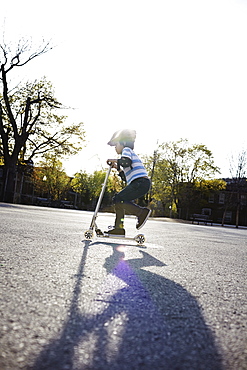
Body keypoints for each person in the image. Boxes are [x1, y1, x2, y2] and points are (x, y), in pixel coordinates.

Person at [105, 129, 151, 236]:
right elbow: (127, 177)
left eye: (116, 145)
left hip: (140, 182)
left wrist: (114, 160)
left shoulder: (126, 150)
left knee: (118, 199)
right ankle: (118, 228)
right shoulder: (126, 155)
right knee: (119, 200)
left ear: (123, 143)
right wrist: (117, 167)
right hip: (140, 183)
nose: (115, 148)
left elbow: (126, 162)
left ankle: (141, 212)